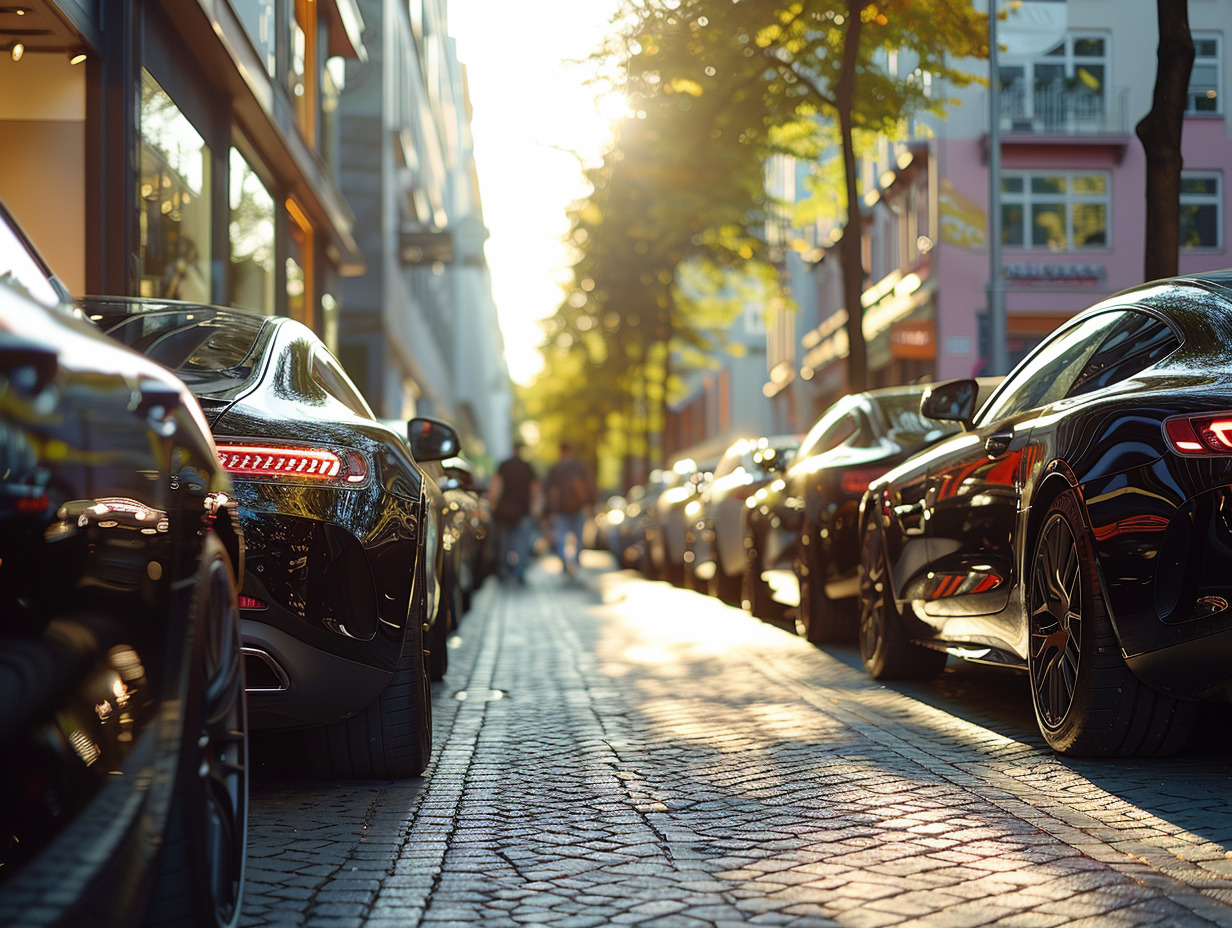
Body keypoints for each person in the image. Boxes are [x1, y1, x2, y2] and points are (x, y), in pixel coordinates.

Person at [489, 441, 538, 585]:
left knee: (505, 543)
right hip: (522, 510)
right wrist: (533, 506)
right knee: (522, 543)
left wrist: (493, 504)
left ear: (512, 449)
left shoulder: (504, 466)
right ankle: (519, 572)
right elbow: (534, 488)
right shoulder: (527, 467)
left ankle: (505, 571)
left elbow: (496, 486)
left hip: (505, 511)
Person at [543, 441, 594, 577]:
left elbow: (548, 490)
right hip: (578, 508)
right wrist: (589, 504)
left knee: (561, 538)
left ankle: (565, 562)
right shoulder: (579, 467)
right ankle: (576, 561)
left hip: (560, 510)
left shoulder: (555, 469)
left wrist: (549, 511)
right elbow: (588, 486)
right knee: (578, 537)